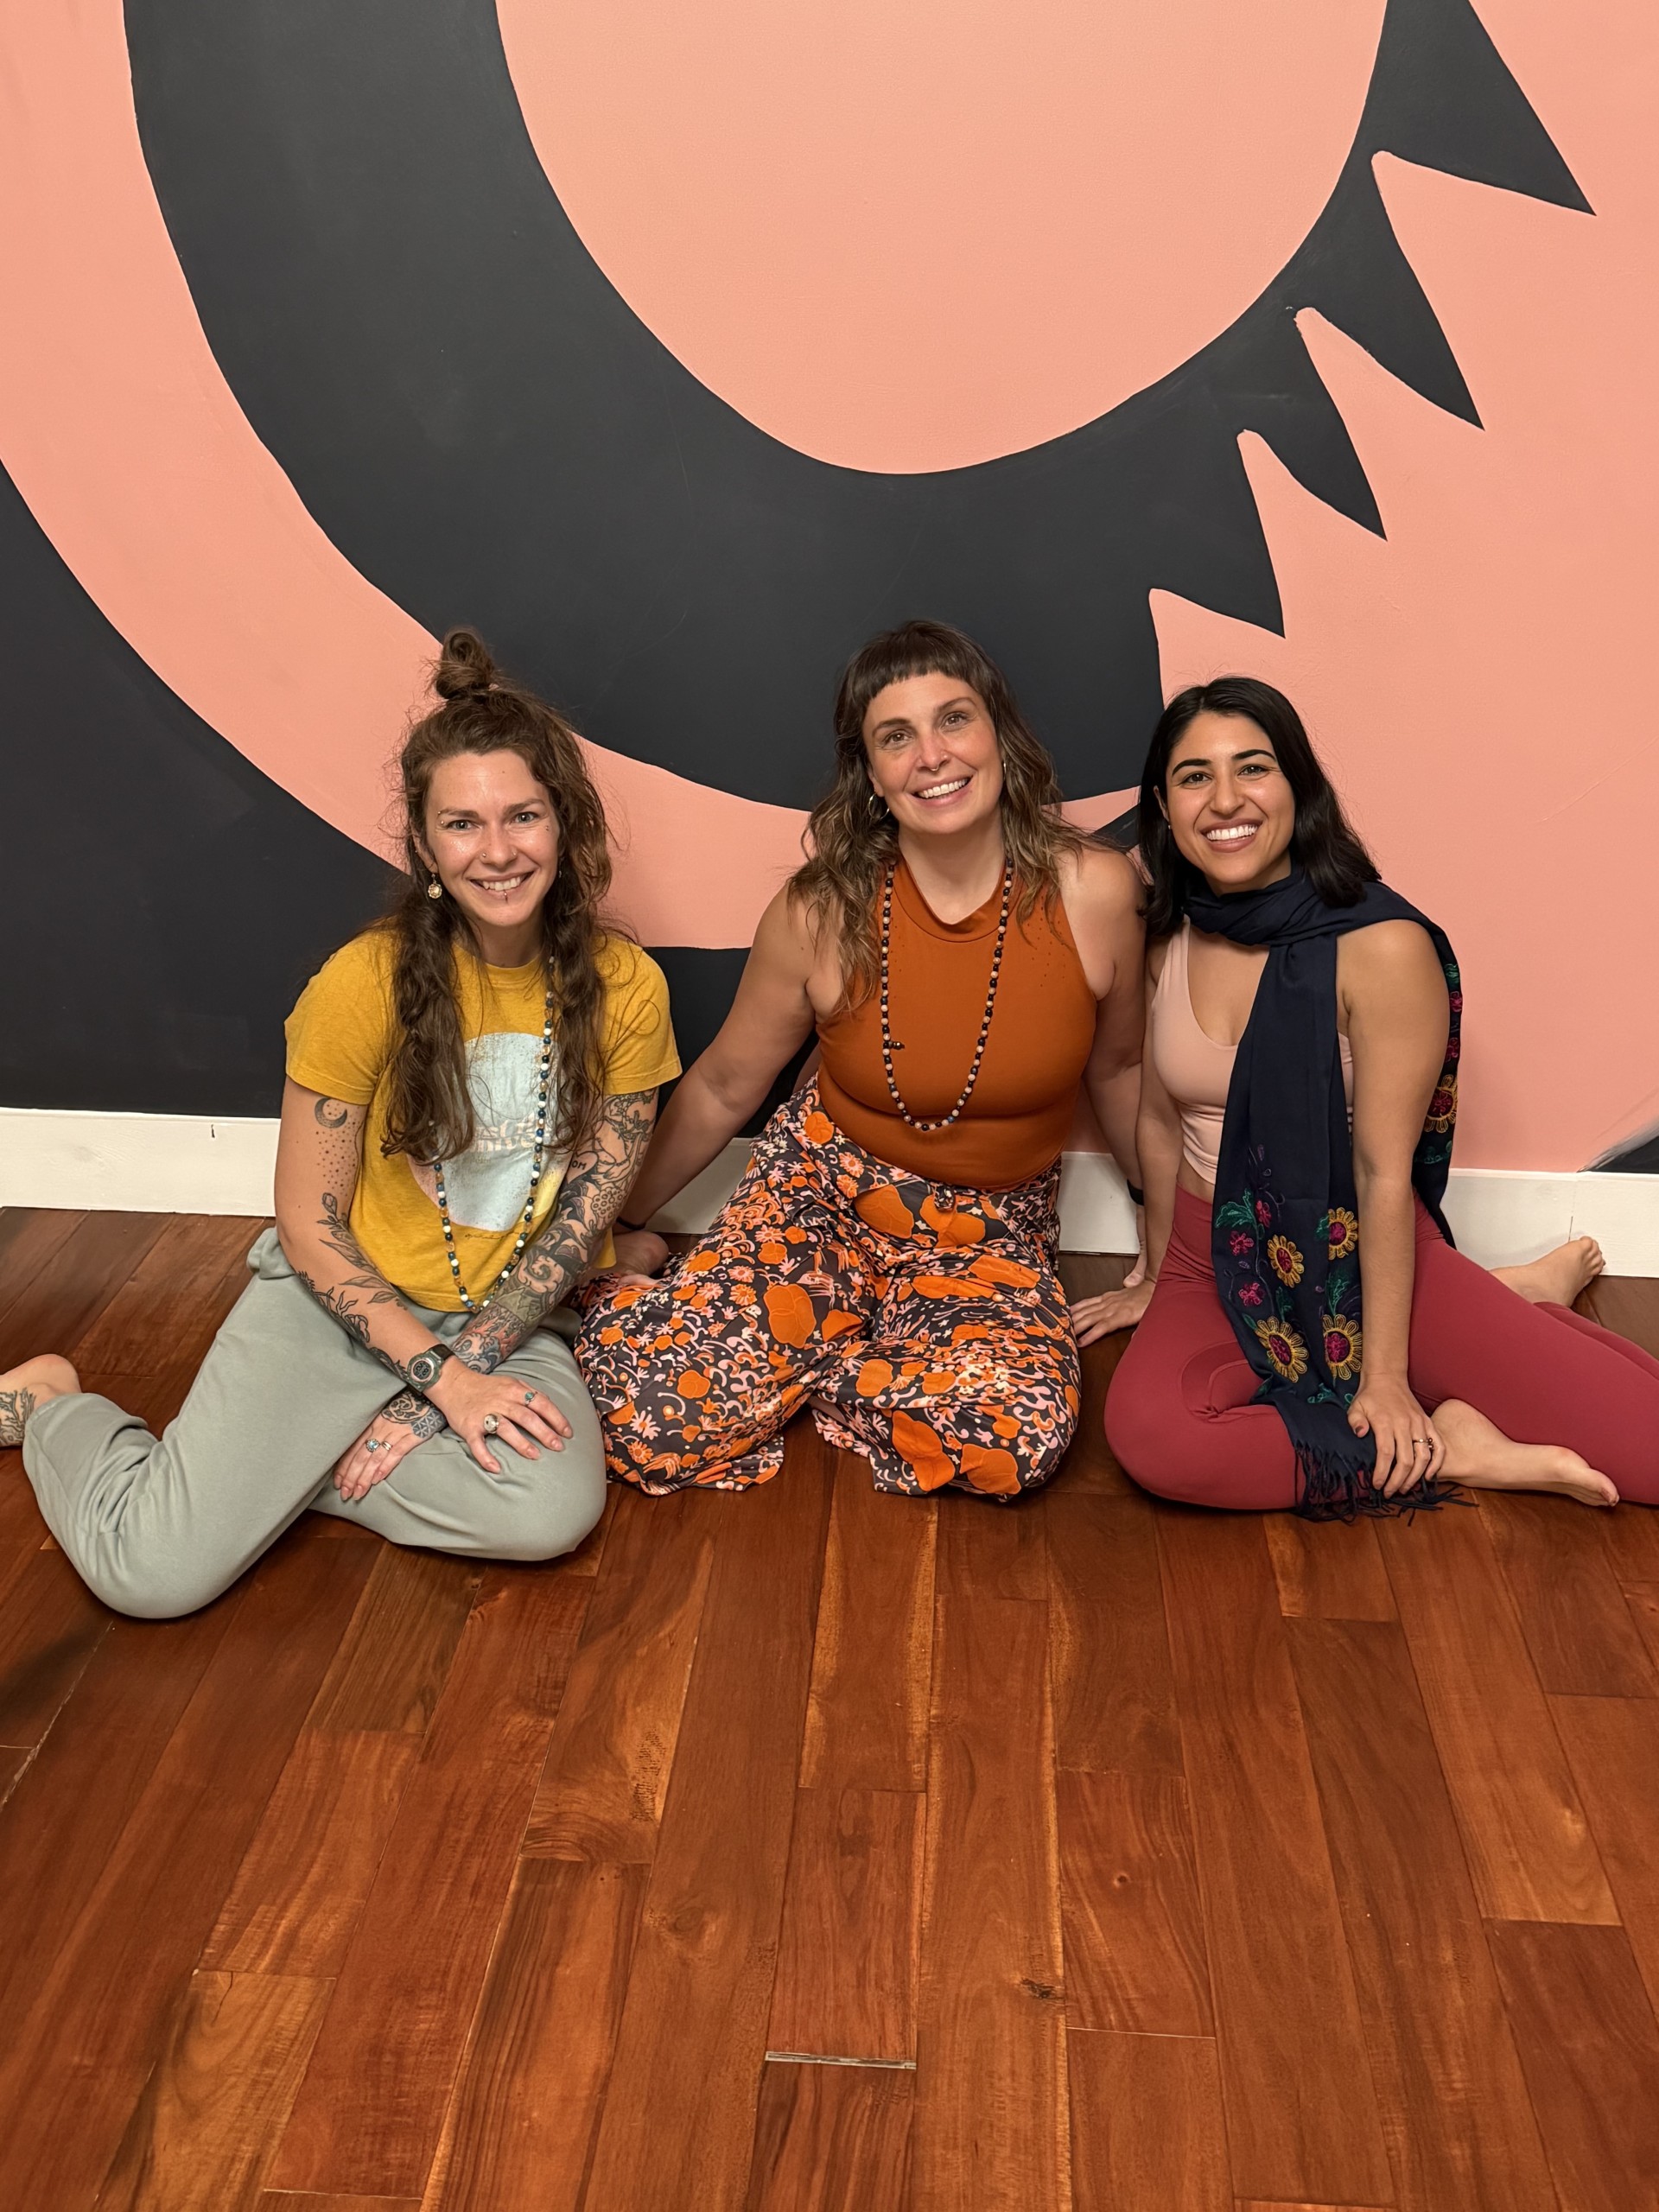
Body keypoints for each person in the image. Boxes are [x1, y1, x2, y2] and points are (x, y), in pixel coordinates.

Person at [0, 629, 679, 1615]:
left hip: (509, 1316)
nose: (498, 851)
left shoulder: (629, 988)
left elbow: (581, 1222)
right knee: (152, 1576)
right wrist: (437, 1384)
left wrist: (461, 1372)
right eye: (462, 824)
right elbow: (309, 1225)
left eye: (524, 815)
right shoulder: (360, 984)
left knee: (547, 1512)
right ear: (426, 847)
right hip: (341, 1304)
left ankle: (267, 1474)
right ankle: (57, 1406)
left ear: (564, 824)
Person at [576, 618, 1146, 1498]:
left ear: (999, 734)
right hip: (821, 1200)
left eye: (953, 719)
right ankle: (797, 1335)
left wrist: (1169, 1255)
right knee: (645, 1413)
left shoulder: (1097, 891)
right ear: (871, 775)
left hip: (987, 1236)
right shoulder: (818, 909)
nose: (932, 756)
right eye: (896, 736)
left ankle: (808, 1349)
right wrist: (610, 1228)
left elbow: (1122, 1073)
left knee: (1015, 1442)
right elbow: (725, 1085)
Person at [1090, 677, 1658, 1515]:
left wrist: (1386, 1379)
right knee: (1157, 1437)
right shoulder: (1168, 931)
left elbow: (1383, 1174)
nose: (1226, 800)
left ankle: (1492, 1313)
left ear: (1298, 786)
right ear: (1163, 806)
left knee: (1647, 1445)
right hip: (1212, 1261)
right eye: (1194, 776)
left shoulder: (1382, 947)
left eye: (1253, 767)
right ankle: (1450, 1446)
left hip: (1355, 1254)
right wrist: (1153, 1271)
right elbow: (1158, 1120)